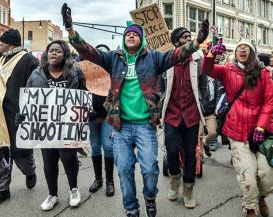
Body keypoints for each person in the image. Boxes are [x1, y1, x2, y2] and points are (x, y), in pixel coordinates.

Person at [61, 3, 209, 217]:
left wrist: (197, 42)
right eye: (128, 34)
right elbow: (88, 51)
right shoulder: (113, 58)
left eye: (135, 34)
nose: (130, 36)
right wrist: (70, 30)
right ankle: (131, 208)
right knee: (124, 170)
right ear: (124, 39)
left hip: (145, 126)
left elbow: (178, 54)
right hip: (120, 127)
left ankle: (150, 197)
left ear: (141, 39)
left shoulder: (155, 58)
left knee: (150, 170)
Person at [202, 40, 273, 217]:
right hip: (237, 131)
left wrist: (261, 127)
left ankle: (261, 198)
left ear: (252, 53)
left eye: (246, 48)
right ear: (235, 53)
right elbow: (207, 70)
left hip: (261, 132)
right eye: (239, 48)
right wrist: (210, 54)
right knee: (247, 174)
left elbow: (269, 101)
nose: (242, 51)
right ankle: (249, 208)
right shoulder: (227, 69)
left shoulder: (263, 73)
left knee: (266, 174)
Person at [25, 40, 83, 211]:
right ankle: (52, 195)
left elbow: (83, 95)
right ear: (46, 54)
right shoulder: (36, 74)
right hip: (46, 127)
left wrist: (86, 112)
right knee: (49, 160)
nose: (53, 54)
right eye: (51, 51)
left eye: (57, 51)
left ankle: (74, 190)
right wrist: (24, 115)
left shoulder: (73, 74)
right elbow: (28, 98)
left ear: (64, 54)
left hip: (67, 125)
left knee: (68, 158)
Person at [0, 29, 38, 207]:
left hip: (17, 116)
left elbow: (36, 89)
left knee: (21, 155)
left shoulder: (29, 60)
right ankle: (0, 190)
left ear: (12, 44)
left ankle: (30, 172)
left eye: (2, 42)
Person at [161, 27, 206, 209]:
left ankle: (188, 189)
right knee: (171, 151)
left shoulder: (198, 61)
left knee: (190, 154)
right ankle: (174, 181)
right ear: (176, 41)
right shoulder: (167, 61)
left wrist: (201, 106)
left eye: (190, 36)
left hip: (191, 116)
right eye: (184, 37)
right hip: (171, 116)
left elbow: (203, 87)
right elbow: (158, 86)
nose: (188, 39)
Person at [88, 95, 115, 197]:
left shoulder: (109, 78)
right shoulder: (81, 78)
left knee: (108, 146)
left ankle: (110, 181)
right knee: (95, 147)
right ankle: (98, 179)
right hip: (91, 115)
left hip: (107, 112)